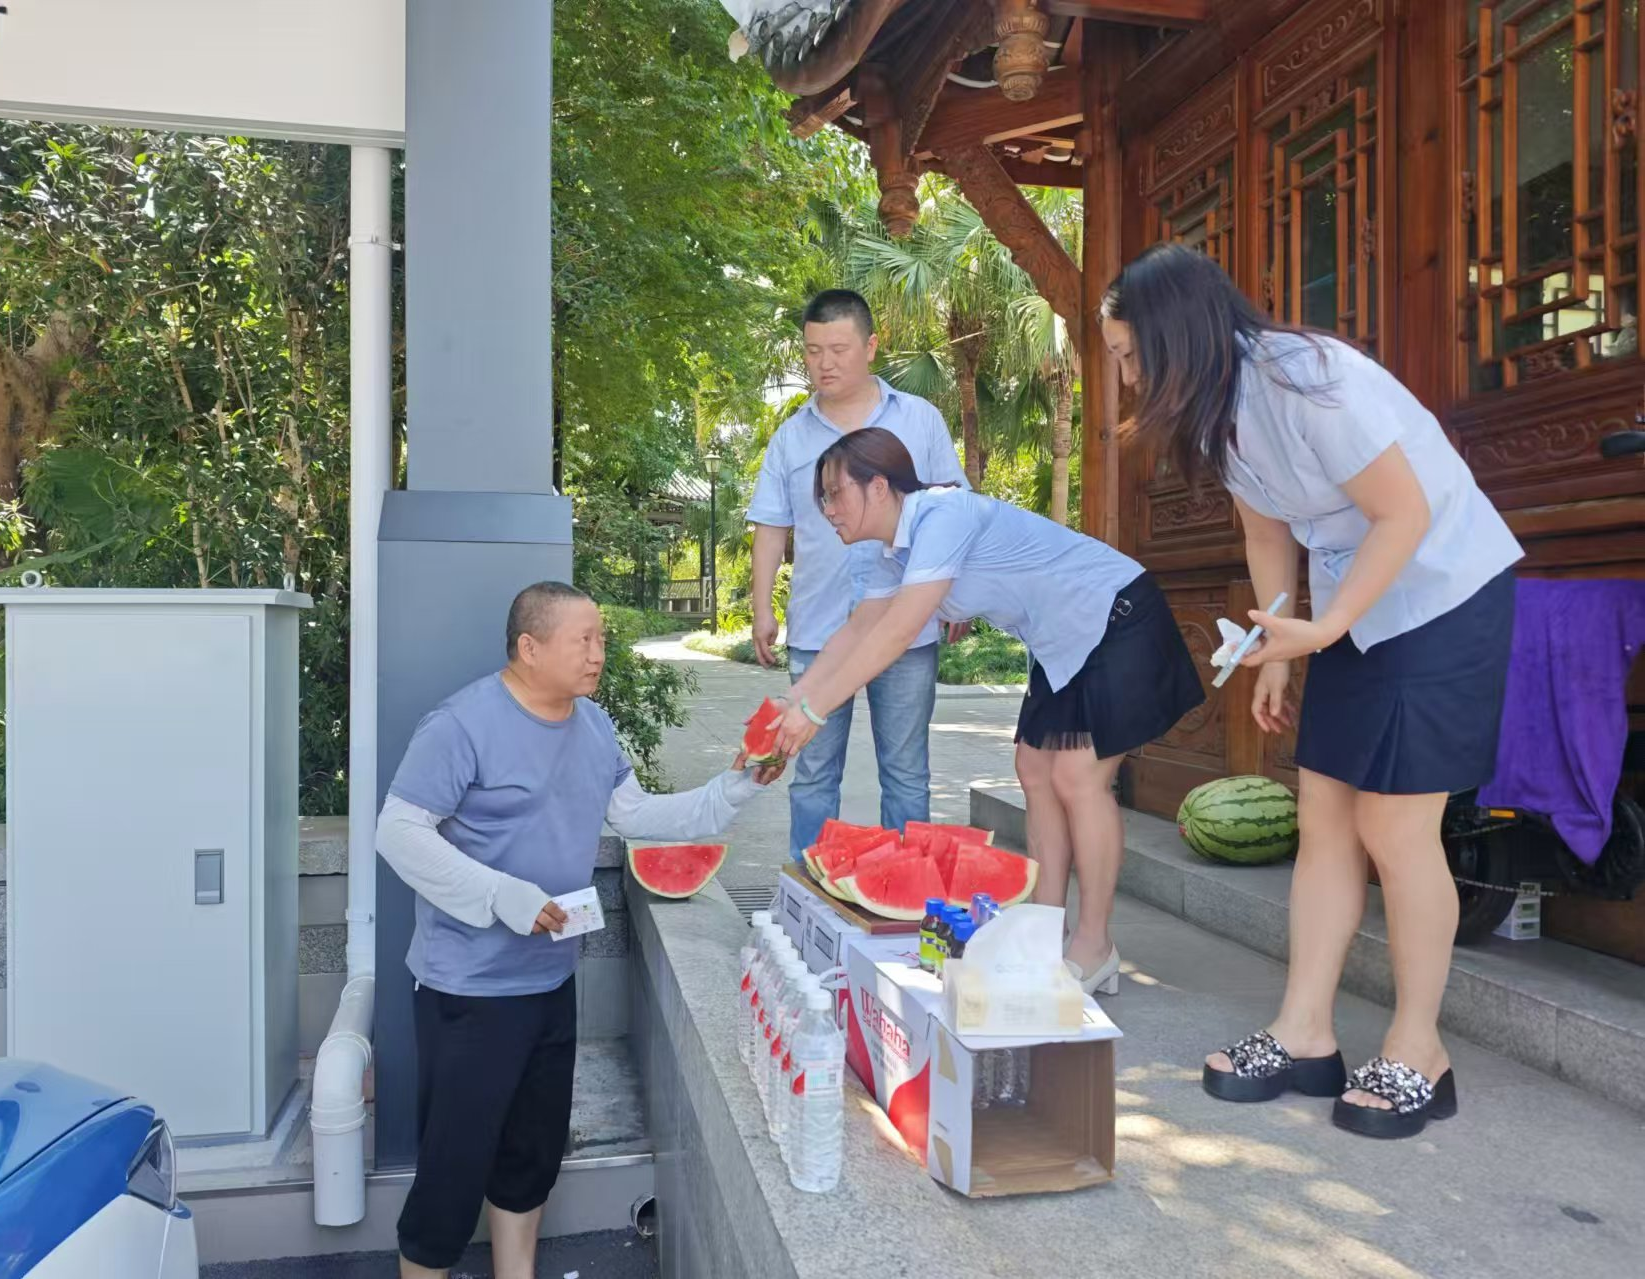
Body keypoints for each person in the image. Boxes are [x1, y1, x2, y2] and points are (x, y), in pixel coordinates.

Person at [1099, 242, 1522, 1139]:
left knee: (1395, 827)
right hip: (1351, 608)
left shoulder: (1309, 380)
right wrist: (1278, 651)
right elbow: (1268, 535)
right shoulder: (1217, 411)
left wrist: (1323, 631)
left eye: (1130, 356)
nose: (1127, 379)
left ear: (1173, 337)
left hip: (1442, 592)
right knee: (1325, 817)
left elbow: (1404, 513)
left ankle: (1419, 1049)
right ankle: (1305, 1033)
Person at [377, 581, 784, 1279]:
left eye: (601, 639)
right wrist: (499, 894)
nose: (598, 653)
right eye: (583, 640)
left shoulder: (593, 724)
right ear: (529, 648)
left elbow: (635, 814)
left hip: (550, 982)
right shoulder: (461, 725)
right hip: (467, 992)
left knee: (530, 1158)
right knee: (451, 1173)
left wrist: (736, 787)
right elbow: (398, 832)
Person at [771, 428, 1204, 994]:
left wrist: (815, 712)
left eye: (834, 494)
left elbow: (899, 631)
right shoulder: (890, 554)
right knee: (1034, 769)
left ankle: (1095, 946)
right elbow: (856, 632)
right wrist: (794, 700)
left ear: (877, 486)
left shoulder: (942, 516)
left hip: (1117, 614)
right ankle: (1046, 932)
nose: (827, 510)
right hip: (1062, 641)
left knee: (1079, 778)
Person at [746, 289, 969, 859]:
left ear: (871, 347)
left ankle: (908, 893)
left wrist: (958, 599)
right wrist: (762, 607)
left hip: (907, 626)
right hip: (819, 626)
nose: (824, 363)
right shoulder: (791, 437)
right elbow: (771, 526)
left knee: (907, 771)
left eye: (838, 349)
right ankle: (808, 892)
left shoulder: (919, 420)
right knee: (813, 774)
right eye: (813, 350)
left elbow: (955, 510)